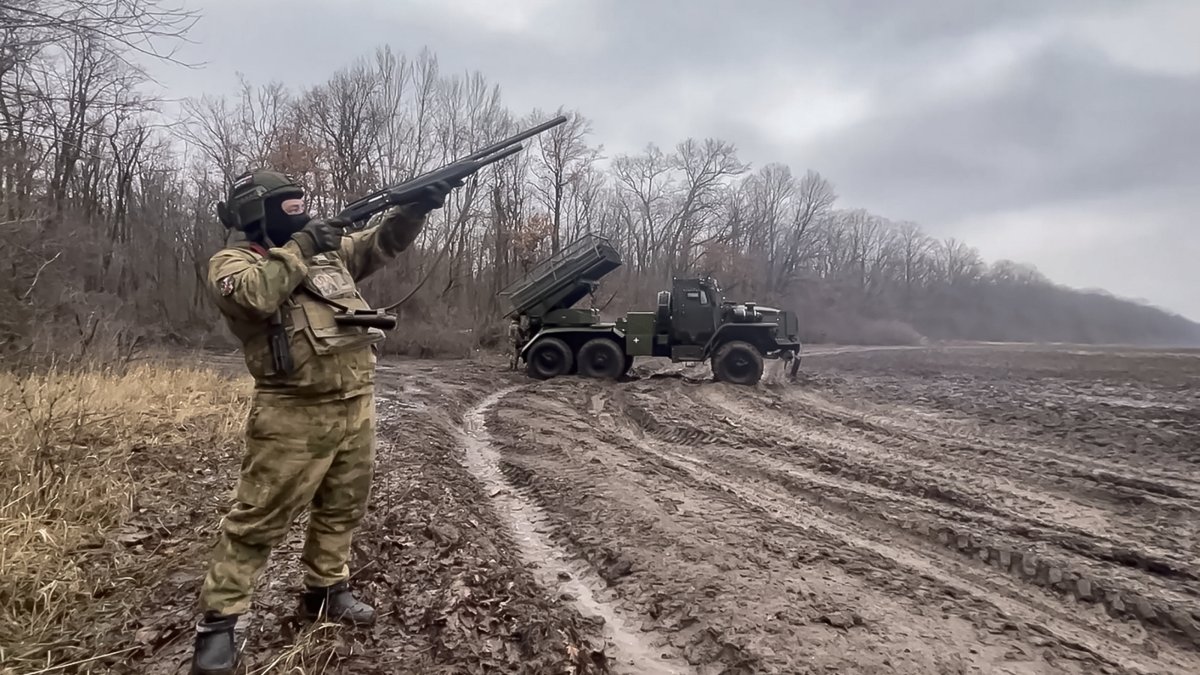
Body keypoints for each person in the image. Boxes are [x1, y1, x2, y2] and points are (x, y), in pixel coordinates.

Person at [190, 169, 451, 675]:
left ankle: (326, 591)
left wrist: (416, 209)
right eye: (288, 204)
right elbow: (254, 298)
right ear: (256, 214)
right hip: (291, 411)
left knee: (342, 508)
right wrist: (303, 246)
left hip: (356, 403)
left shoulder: (330, 256)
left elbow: (379, 243)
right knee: (256, 521)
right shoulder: (233, 264)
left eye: (301, 202)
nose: (300, 209)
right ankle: (219, 625)